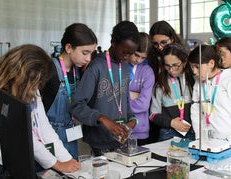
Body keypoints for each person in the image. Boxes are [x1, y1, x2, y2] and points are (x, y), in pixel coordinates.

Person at [0, 44, 80, 178]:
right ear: (22, 75)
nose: (36, 88)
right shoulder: (3, 101)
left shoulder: (30, 88)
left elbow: (44, 126)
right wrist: (57, 164)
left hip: (38, 161)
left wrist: (66, 159)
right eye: (35, 82)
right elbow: (27, 138)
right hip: (14, 169)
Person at [70, 20, 140, 156]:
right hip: (98, 142)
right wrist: (101, 118)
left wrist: (133, 120)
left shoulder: (125, 67)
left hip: (120, 141)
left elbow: (125, 103)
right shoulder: (96, 67)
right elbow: (77, 106)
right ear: (113, 42)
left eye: (130, 53)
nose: (126, 57)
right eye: (125, 52)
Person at [40, 23, 97, 160]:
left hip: (70, 133)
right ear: (69, 48)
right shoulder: (48, 70)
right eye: (85, 53)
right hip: (49, 136)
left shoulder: (78, 71)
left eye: (91, 53)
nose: (88, 59)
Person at [188, 45, 231, 152]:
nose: (194, 72)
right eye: (192, 67)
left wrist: (228, 141)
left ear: (211, 63)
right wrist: (200, 137)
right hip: (209, 146)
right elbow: (196, 112)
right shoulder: (198, 83)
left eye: (197, 67)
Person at [148, 20, 185, 143]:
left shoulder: (184, 61)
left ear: (172, 39)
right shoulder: (150, 60)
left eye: (164, 42)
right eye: (156, 44)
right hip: (161, 113)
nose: (160, 47)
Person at [150, 43, 195, 141]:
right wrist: (171, 122)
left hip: (193, 132)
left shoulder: (194, 81)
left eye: (175, 65)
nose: (171, 70)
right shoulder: (160, 85)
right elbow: (153, 115)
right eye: (167, 66)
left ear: (184, 62)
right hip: (168, 133)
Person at [128, 32, 155, 146]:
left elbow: (144, 105)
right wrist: (133, 95)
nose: (138, 60)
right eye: (136, 55)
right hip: (118, 127)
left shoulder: (147, 71)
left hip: (140, 130)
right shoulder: (119, 67)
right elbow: (112, 100)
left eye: (143, 57)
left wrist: (124, 95)